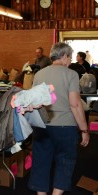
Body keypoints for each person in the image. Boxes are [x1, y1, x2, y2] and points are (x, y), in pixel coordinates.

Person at [28, 42, 90, 195]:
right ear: (63, 56)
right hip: (65, 128)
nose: (70, 61)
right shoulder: (71, 74)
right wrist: (84, 129)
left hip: (42, 125)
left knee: (41, 163)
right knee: (65, 162)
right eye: (69, 57)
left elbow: (34, 101)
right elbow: (75, 104)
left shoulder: (39, 74)